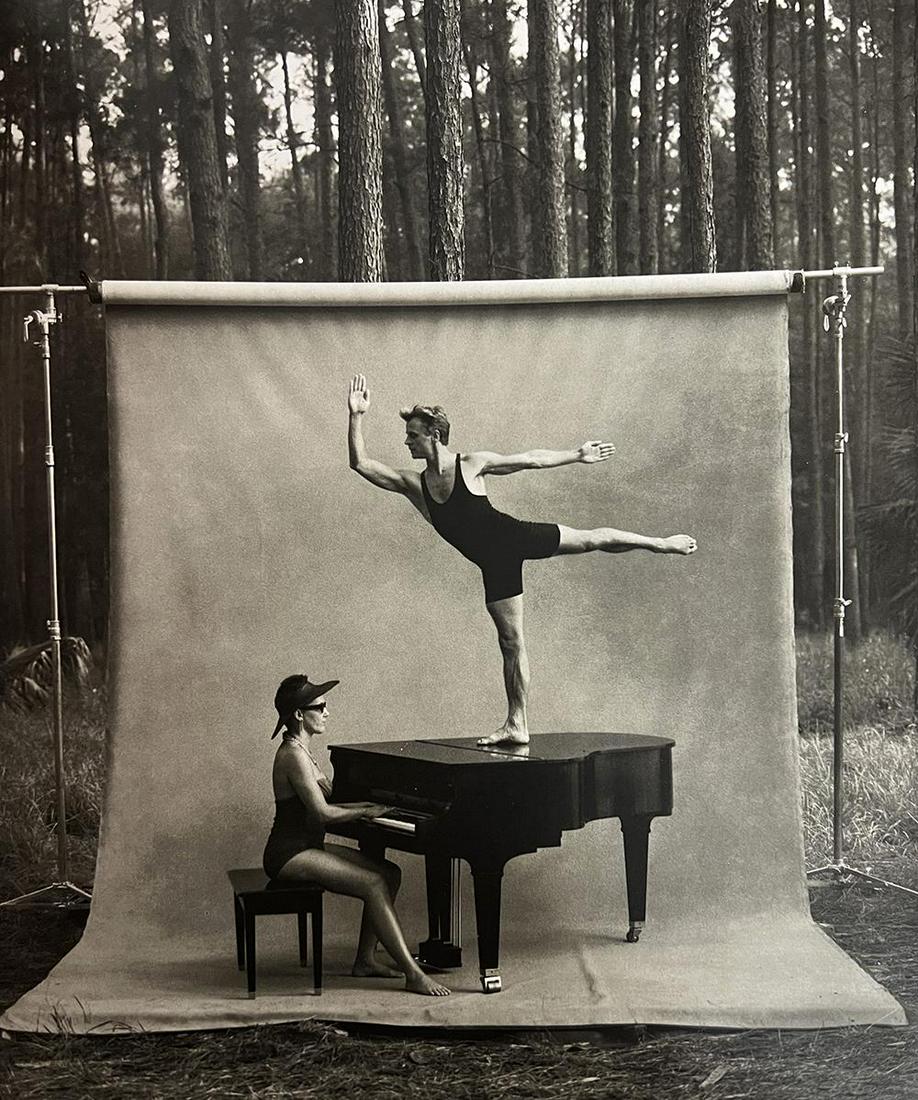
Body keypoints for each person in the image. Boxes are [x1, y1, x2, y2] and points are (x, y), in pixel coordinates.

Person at [347, 373, 697, 746]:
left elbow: (529, 460)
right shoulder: (414, 484)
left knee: (592, 539)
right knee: (512, 643)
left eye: (412, 435)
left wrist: (576, 455)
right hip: (494, 566)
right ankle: (517, 723)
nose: (406, 442)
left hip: (513, 536)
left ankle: (660, 543)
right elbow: (361, 464)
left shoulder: (472, 464)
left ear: (433, 435)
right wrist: (356, 415)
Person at [263, 673, 450, 997]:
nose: (326, 712)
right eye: (319, 707)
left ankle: (365, 960)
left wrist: (381, 799)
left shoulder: (303, 751)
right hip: (287, 854)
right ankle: (413, 973)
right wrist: (366, 811)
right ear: (298, 715)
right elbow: (323, 813)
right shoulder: (292, 756)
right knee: (373, 883)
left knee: (389, 873)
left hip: (308, 845)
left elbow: (333, 797)